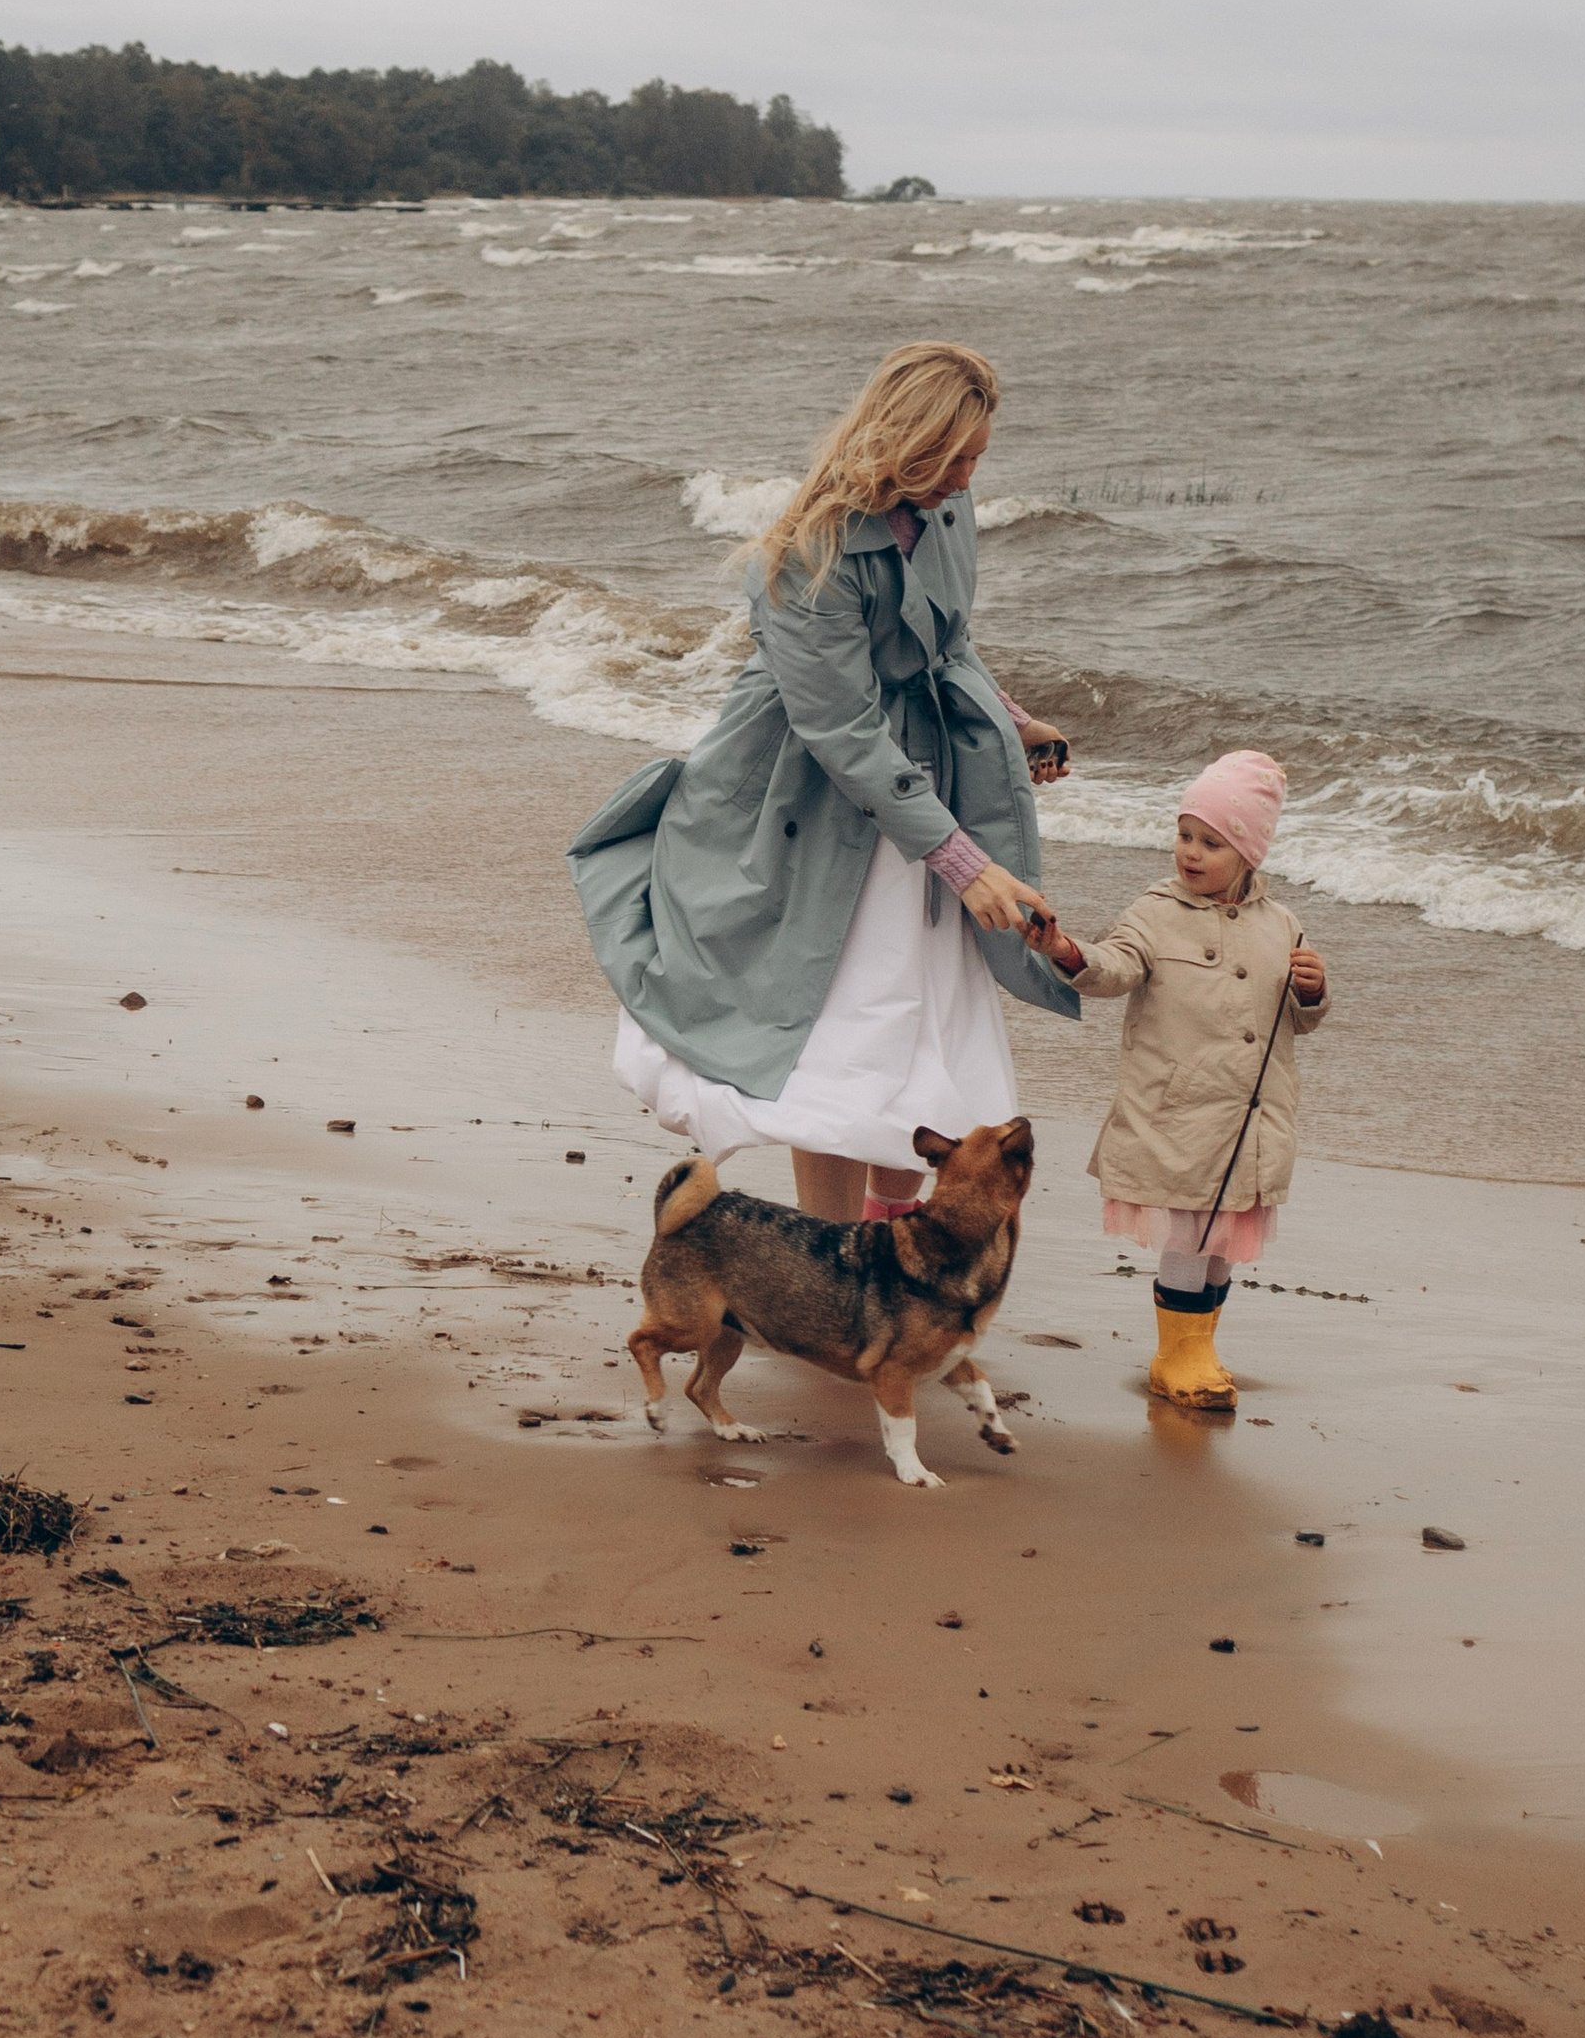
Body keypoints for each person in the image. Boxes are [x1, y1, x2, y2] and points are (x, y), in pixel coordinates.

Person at [568, 340, 1079, 1227]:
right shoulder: (811, 555)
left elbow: (946, 642)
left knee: (919, 1035)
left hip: (915, 788)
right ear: (904, 443)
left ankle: (886, 1243)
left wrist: (1013, 717)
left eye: (977, 459)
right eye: (953, 458)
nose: (966, 479)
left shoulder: (948, 513)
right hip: (810, 801)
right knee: (841, 1037)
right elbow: (844, 734)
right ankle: (841, 1259)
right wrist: (969, 868)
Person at [1040, 750, 1329, 1413]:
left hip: (1250, 1119)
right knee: (1191, 1234)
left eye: (1212, 842)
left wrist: (1313, 992)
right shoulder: (1155, 912)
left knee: (1222, 1241)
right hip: (1181, 1110)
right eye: (1185, 835)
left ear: (1249, 853)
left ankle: (1200, 1345)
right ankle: (1177, 1353)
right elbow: (1112, 969)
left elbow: (1299, 1021)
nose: (1191, 853)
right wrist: (1066, 950)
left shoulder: (1281, 925)